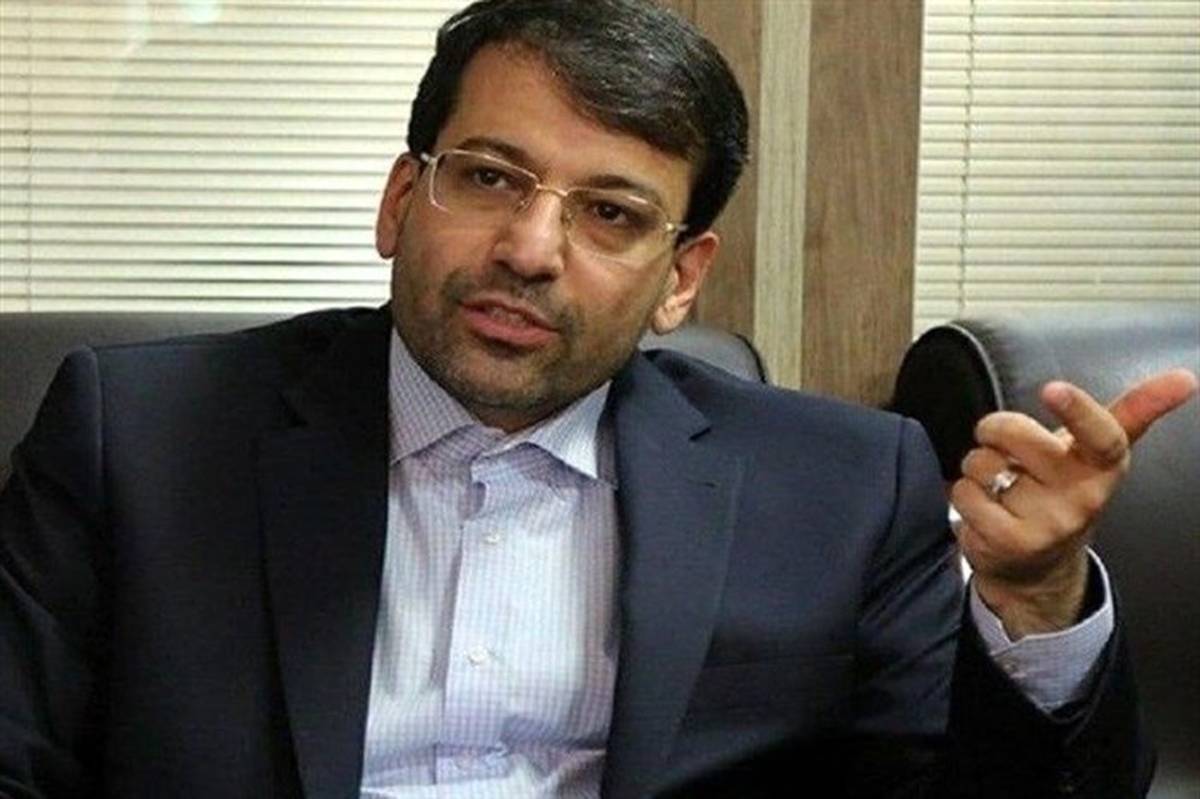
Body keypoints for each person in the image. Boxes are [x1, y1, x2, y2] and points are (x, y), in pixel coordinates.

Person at [0, 1, 1195, 797]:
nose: (529, 249)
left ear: (680, 277)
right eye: (489, 178)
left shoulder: (841, 486)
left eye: (611, 214)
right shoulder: (137, 437)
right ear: (400, 201)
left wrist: (1036, 601)